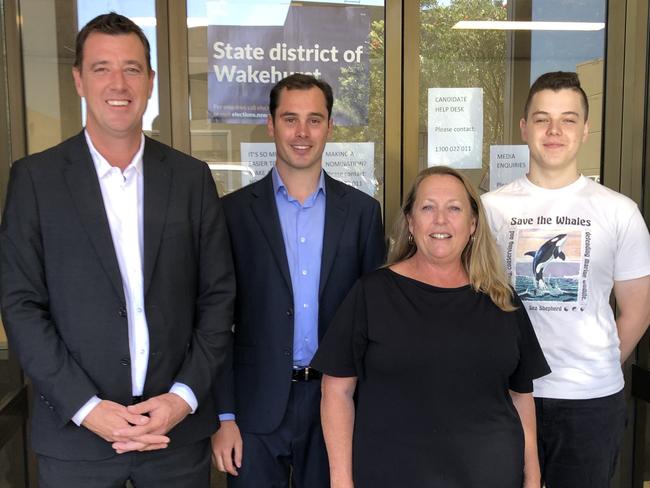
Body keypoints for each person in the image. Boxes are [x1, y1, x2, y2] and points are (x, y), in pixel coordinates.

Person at [0, 12, 235, 487]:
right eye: (101, 68)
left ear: (150, 82)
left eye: (131, 68)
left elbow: (217, 298)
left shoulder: (191, 180)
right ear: (79, 80)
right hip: (76, 439)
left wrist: (182, 399)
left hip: (174, 437)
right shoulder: (36, 180)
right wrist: (88, 409)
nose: (118, 83)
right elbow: (21, 306)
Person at [312, 165, 550, 487]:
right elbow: (336, 389)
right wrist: (341, 481)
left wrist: (532, 476)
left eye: (454, 208)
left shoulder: (502, 300)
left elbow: (521, 396)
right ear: (411, 222)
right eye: (428, 207)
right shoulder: (373, 294)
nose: (441, 220)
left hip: (491, 475)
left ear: (473, 225)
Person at [210, 73, 385, 487]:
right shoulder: (231, 214)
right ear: (271, 125)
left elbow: (375, 321)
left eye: (314, 119)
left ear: (330, 126)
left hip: (336, 401)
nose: (302, 132)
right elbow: (214, 319)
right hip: (254, 407)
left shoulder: (362, 213)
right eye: (290, 119)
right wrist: (224, 416)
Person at [482, 71, 650, 487]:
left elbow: (638, 309)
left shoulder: (619, 211)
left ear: (585, 129)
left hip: (591, 402)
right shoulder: (489, 210)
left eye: (568, 119)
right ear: (524, 128)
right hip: (504, 396)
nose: (554, 130)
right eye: (542, 119)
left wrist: (595, 365)